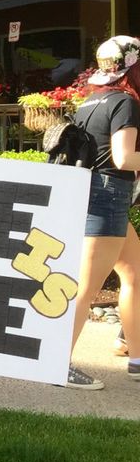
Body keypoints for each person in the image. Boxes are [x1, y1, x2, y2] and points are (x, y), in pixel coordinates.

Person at [64, 35, 140, 390]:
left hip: (93, 194)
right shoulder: (125, 102)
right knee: (86, 288)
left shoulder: (90, 103)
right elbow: (123, 158)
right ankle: (59, 363)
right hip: (109, 195)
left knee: (135, 274)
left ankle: (136, 355)